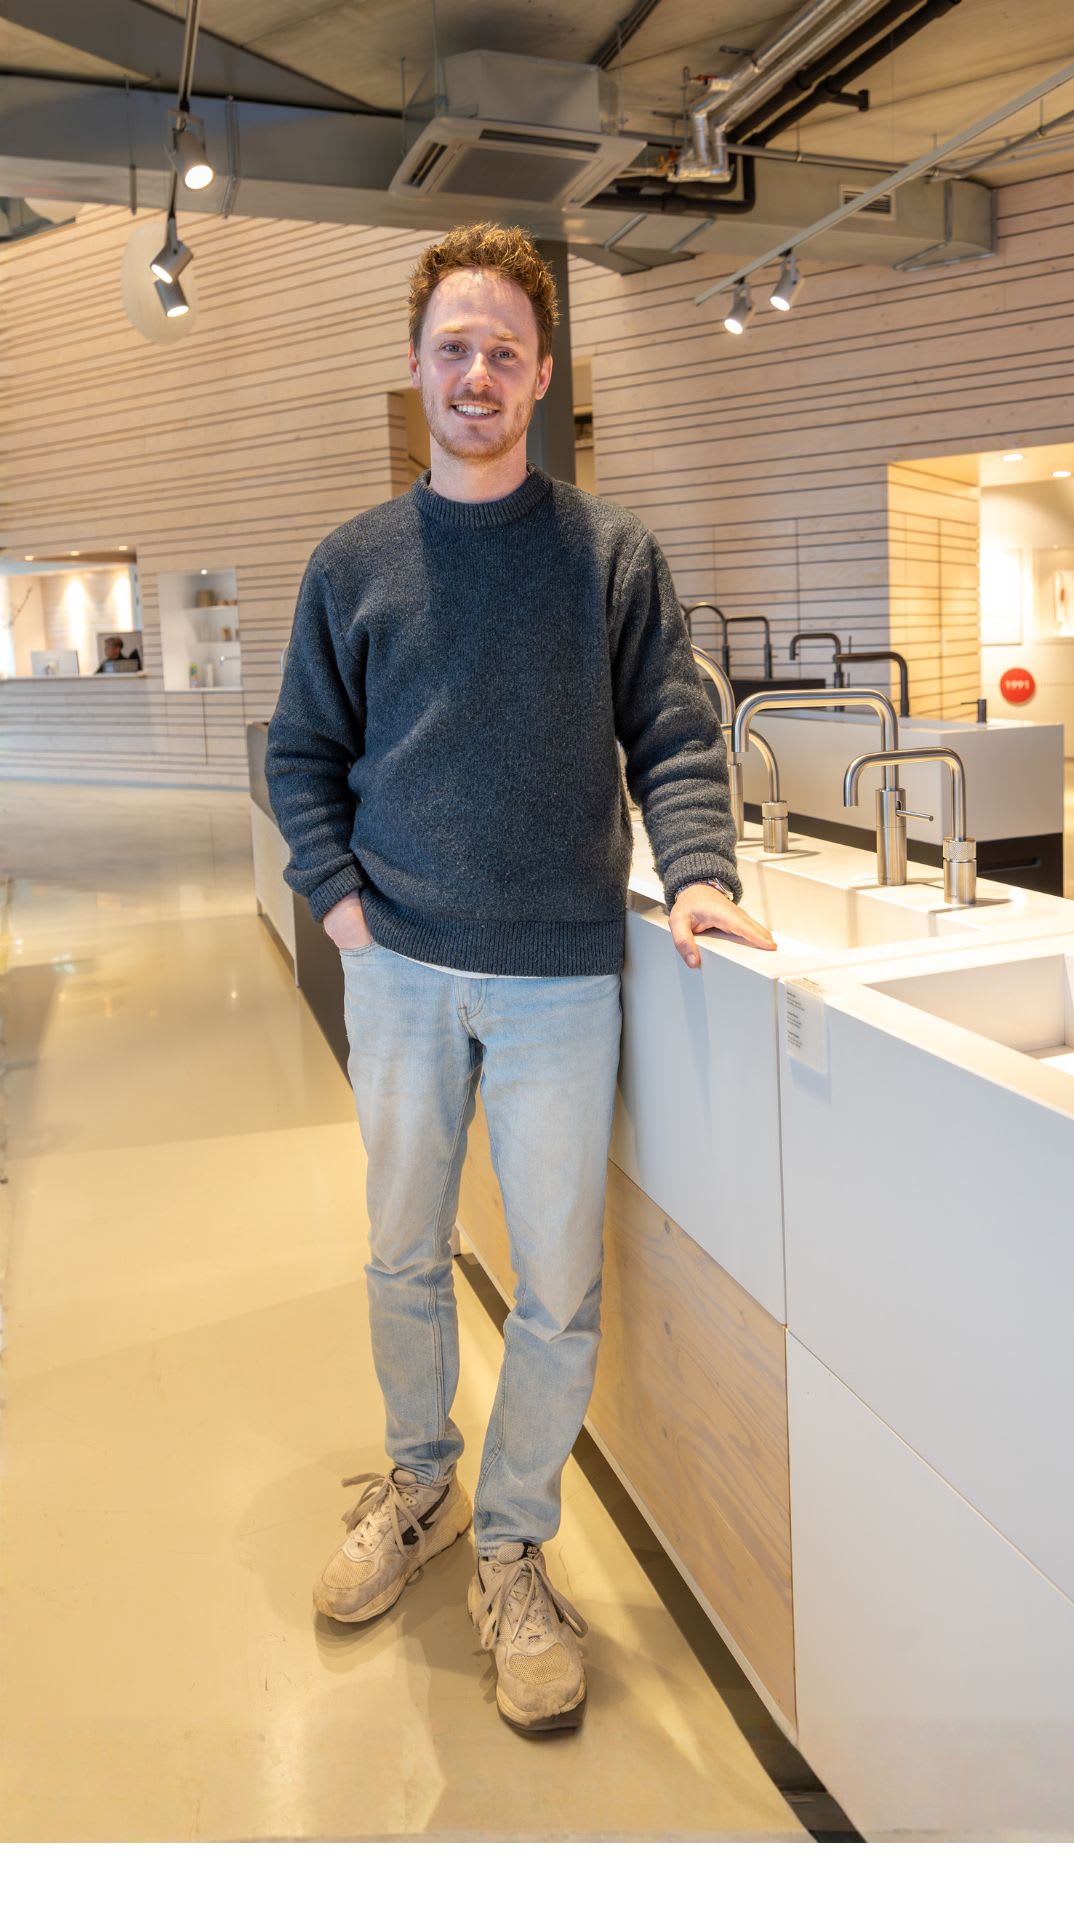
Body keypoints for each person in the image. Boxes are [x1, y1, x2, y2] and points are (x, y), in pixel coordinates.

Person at [265, 221, 776, 1735]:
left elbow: (673, 733)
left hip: (560, 976)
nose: (477, 374)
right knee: (402, 1252)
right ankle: (419, 1484)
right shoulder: (352, 563)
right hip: (402, 967)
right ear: (417, 368)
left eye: (504, 350)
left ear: (544, 374)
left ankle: (512, 1544)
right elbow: (304, 754)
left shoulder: (610, 555)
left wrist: (700, 872)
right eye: (453, 349)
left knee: (556, 1289)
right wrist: (340, 902)